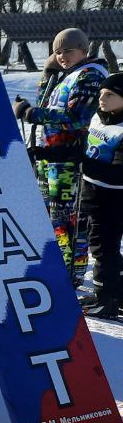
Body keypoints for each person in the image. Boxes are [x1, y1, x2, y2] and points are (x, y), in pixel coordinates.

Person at [14, 27, 107, 279]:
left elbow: (76, 117)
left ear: (84, 50)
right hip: (52, 157)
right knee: (52, 219)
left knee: (69, 221)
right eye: (58, 52)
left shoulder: (90, 75)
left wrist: (31, 113)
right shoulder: (68, 74)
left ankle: (72, 274)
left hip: (70, 160)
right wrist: (48, 73)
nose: (63, 56)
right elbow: (46, 104)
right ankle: (58, 269)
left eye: (68, 50)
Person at [80, 74, 123, 318]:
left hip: (114, 198)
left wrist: (82, 162)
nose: (102, 99)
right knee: (102, 245)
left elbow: (118, 173)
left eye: (110, 95)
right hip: (93, 191)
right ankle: (116, 291)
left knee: (103, 247)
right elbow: (85, 148)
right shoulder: (100, 116)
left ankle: (106, 300)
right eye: (101, 94)